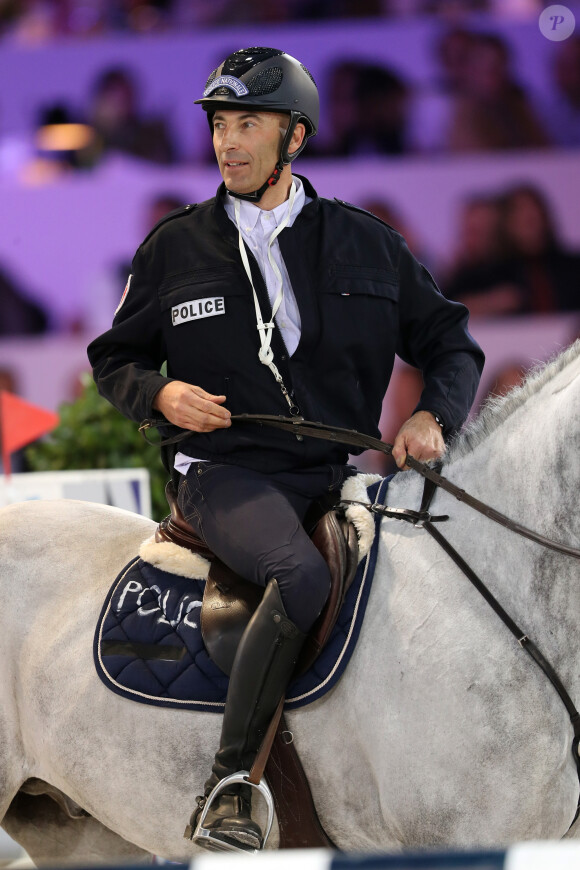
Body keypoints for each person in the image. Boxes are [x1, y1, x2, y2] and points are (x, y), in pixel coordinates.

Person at [88, 46, 484, 852]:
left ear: (293, 139)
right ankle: (231, 785)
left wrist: (432, 417)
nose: (228, 143)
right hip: (223, 473)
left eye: (247, 125)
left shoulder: (368, 243)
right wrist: (160, 394)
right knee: (297, 575)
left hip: (334, 473)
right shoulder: (175, 246)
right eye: (219, 126)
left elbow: (451, 342)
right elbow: (114, 358)